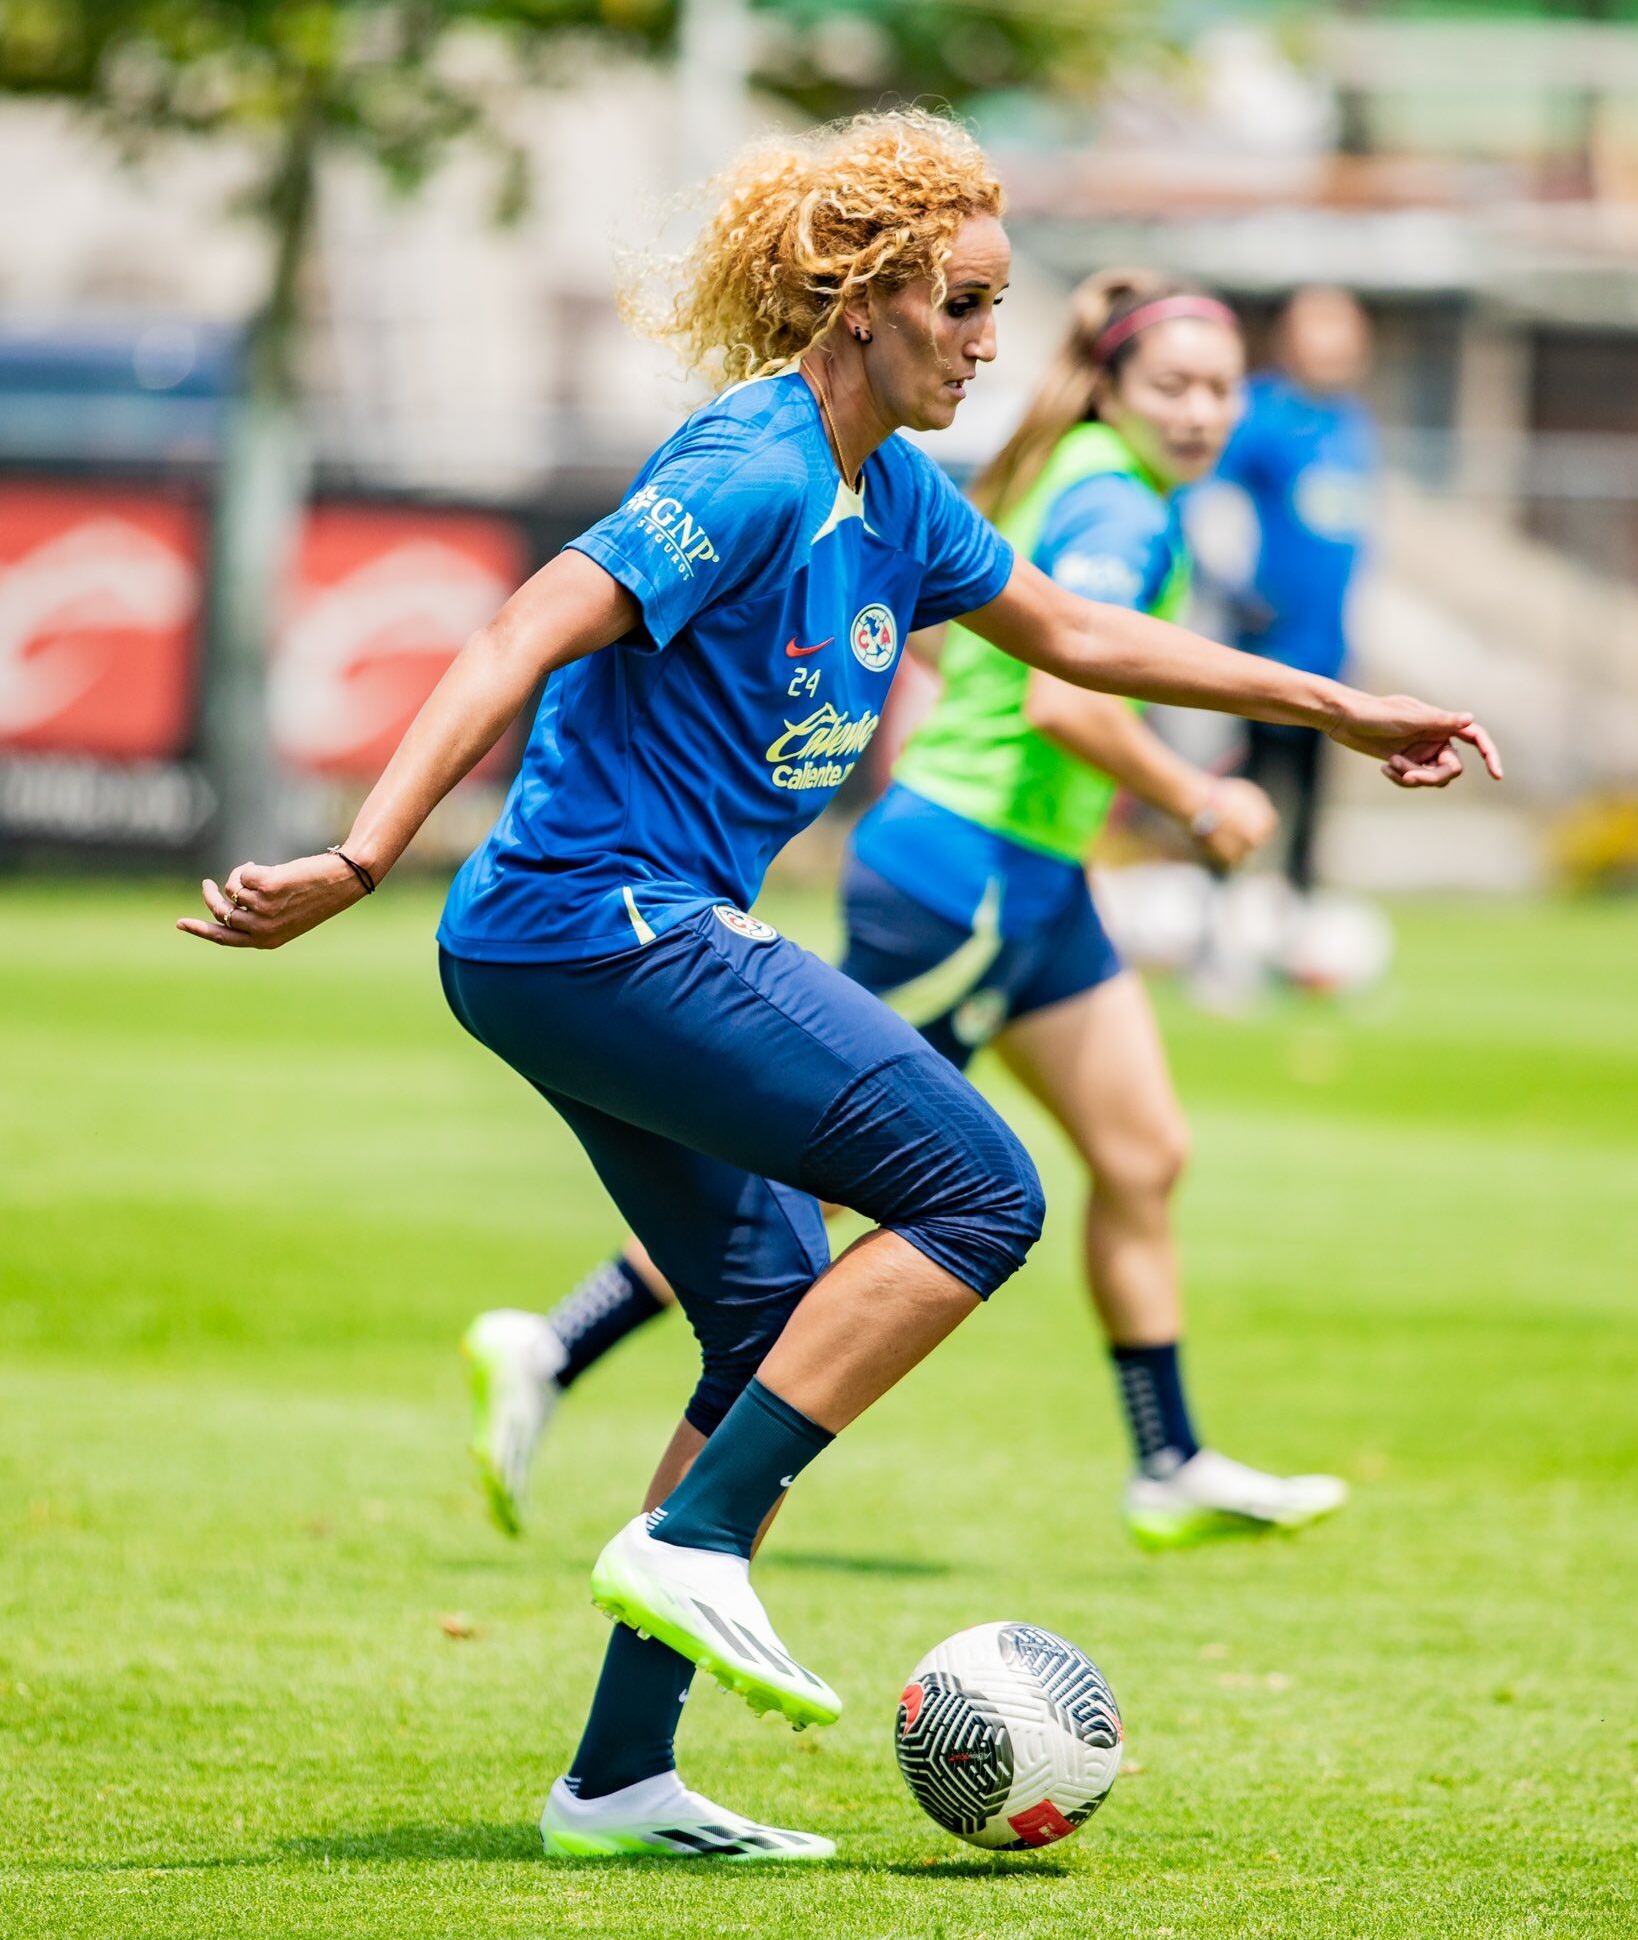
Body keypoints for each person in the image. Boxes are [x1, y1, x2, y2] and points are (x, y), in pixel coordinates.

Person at [180, 111, 1499, 1863]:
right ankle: (691, 1540)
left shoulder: (901, 500)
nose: (984, 341)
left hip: (595, 936)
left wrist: (1344, 706)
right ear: (861, 295)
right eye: (960, 303)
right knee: (978, 1187)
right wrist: (357, 853)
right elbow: (515, 627)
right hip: (591, 919)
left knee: (760, 1303)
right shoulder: (751, 465)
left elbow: (1084, 640)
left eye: (995, 308)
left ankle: (615, 1778)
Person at [474, 268, 1350, 1554]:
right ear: (1108, 387)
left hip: (1037, 879)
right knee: (834, 1181)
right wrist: (1198, 797)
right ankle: (560, 1354)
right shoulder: (1116, 504)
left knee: (1141, 1152)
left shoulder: (1041, 487)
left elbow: (955, 635)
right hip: (973, 878)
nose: (1204, 412)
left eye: (1224, 388)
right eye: (1174, 385)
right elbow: (1067, 693)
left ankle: (1166, 1455)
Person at [1196, 284, 1379, 893]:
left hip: (1328, 648)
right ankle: (1218, 928)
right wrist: (1239, 589)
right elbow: (1210, 502)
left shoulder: (1351, 421)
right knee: (1245, 794)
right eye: (1320, 330)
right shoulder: (1259, 412)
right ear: (1290, 338)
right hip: (1263, 649)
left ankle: (1297, 923)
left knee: (1311, 805)